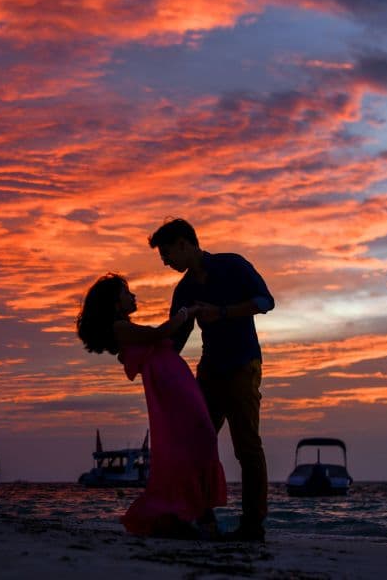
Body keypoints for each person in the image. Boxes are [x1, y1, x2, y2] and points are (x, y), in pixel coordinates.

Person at [149, 218, 274, 542]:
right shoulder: (184, 290)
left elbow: (265, 302)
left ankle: (253, 523)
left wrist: (221, 312)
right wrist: (148, 357)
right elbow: (176, 339)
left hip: (243, 365)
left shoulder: (232, 265)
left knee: (246, 445)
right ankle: (200, 516)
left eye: (166, 253)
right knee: (194, 443)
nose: (165, 261)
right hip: (208, 371)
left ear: (184, 244)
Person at [76, 273, 227, 538]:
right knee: (198, 440)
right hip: (169, 385)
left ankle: (193, 518)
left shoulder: (124, 327)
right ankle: (196, 519)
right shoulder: (119, 328)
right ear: (114, 303)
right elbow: (160, 333)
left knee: (200, 440)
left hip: (174, 380)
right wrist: (185, 312)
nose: (132, 296)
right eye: (126, 293)